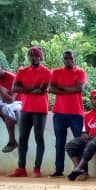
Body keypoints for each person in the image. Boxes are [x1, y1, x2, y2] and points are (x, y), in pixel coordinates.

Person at [8, 46, 51, 177]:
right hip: (25, 109)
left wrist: (25, 88)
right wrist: (32, 88)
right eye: (32, 56)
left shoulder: (47, 72)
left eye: (37, 56)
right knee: (22, 139)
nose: (34, 58)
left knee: (39, 138)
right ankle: (21, 168)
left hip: (40, 109)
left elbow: (41, 90)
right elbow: (15, 88)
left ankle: (37, 169)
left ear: (41, 57)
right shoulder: (22, 71)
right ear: (29, 57)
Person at [49, 50, 87, 177]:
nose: (68, 60)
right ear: (63, 59)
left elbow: (79, 88)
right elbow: (51, 89)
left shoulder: (80, 72)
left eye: (70, 58)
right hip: (59, 113)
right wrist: (70, 89)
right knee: (59, 142)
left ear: (74, 59)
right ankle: (58, 171)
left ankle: (82, 171)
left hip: (76, 113)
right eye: (66, 58)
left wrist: (61, 89)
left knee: (79, 142)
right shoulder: (56, 72)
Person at [0, 64, 20, 152]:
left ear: (1, 68)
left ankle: (12, 141)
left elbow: (11, 100)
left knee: (7, 112)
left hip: (18, 103)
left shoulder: (12, 78)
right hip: (6, 103)